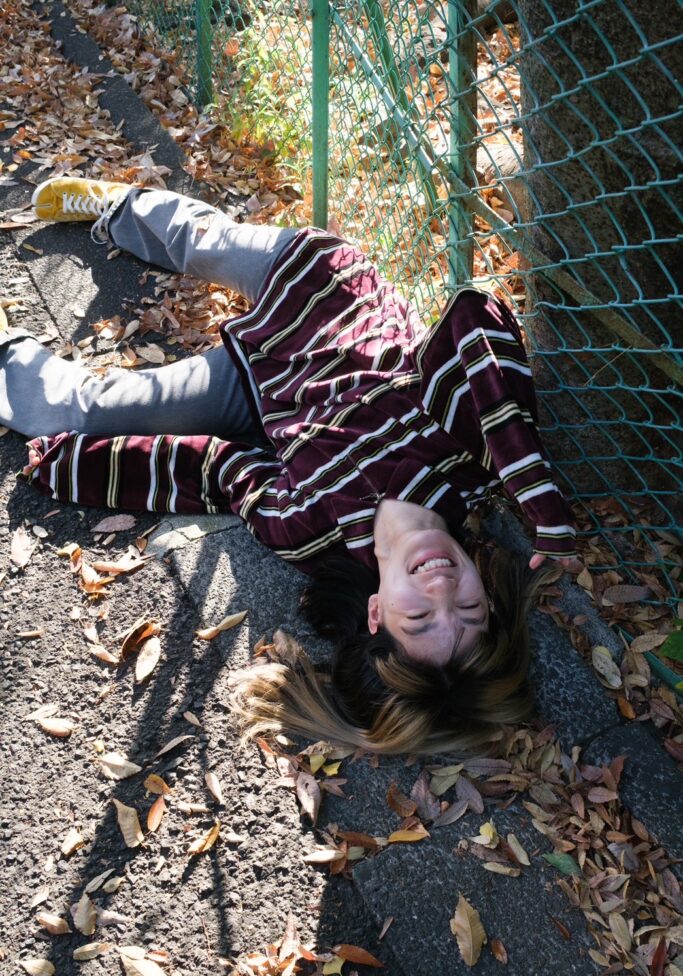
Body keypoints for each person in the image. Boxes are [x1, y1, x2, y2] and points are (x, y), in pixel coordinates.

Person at [1, 177, 579, 753]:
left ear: (376, 614)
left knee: (81, 410)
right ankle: (118, 207)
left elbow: (214, 473)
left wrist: (72, 464)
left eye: (421, 619)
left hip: (258, 385)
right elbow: (476, 321)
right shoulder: (463, 460)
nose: (442, 588)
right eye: (471, 607)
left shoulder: (307, 530)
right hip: (320, 291)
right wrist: (536, 496)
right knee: (199, 241)